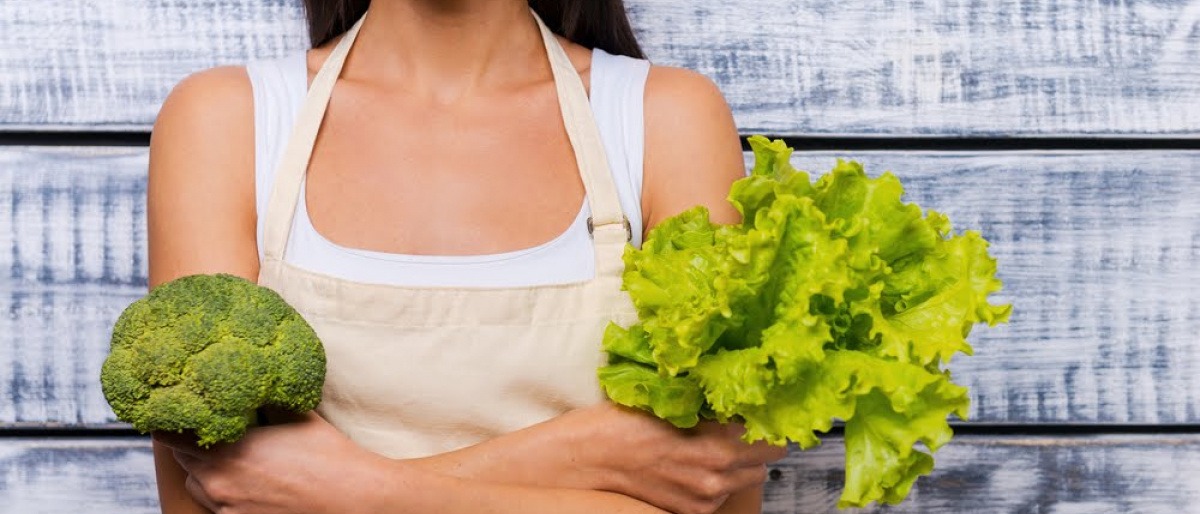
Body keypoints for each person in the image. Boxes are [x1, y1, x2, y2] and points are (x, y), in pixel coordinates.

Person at [148, 1, 787, 513]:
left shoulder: (666, 118)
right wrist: (584, 455)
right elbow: (213, 494)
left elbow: (712, 483)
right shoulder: (227, 118)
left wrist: (353, 492)